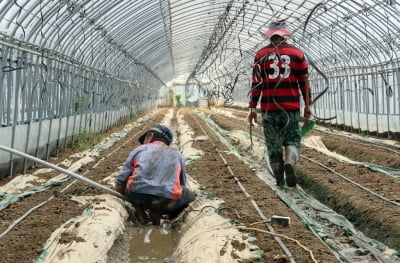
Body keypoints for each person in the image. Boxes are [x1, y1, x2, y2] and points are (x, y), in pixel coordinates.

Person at [247, 18, 312, 187]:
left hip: (270, 109)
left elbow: (256, 84)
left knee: (273, 145)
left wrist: (253, 108)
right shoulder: (297, 54)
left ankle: (279, 179)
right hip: (291, 109)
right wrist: (308, 106)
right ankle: (290, 161)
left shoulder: (261, 56)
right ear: (285, 35)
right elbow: (304, 83)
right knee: (292, 139)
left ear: (270, 36)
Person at [115, 124, 195, 225]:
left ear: (150, 136)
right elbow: (181, 184)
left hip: (137, 195)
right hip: (166, 200)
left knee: (129, 182)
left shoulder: (139, 150)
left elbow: (119, 183)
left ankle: (141, 213)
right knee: (189, 195)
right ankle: (161, 214)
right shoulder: (177, 154)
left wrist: (128, 194)